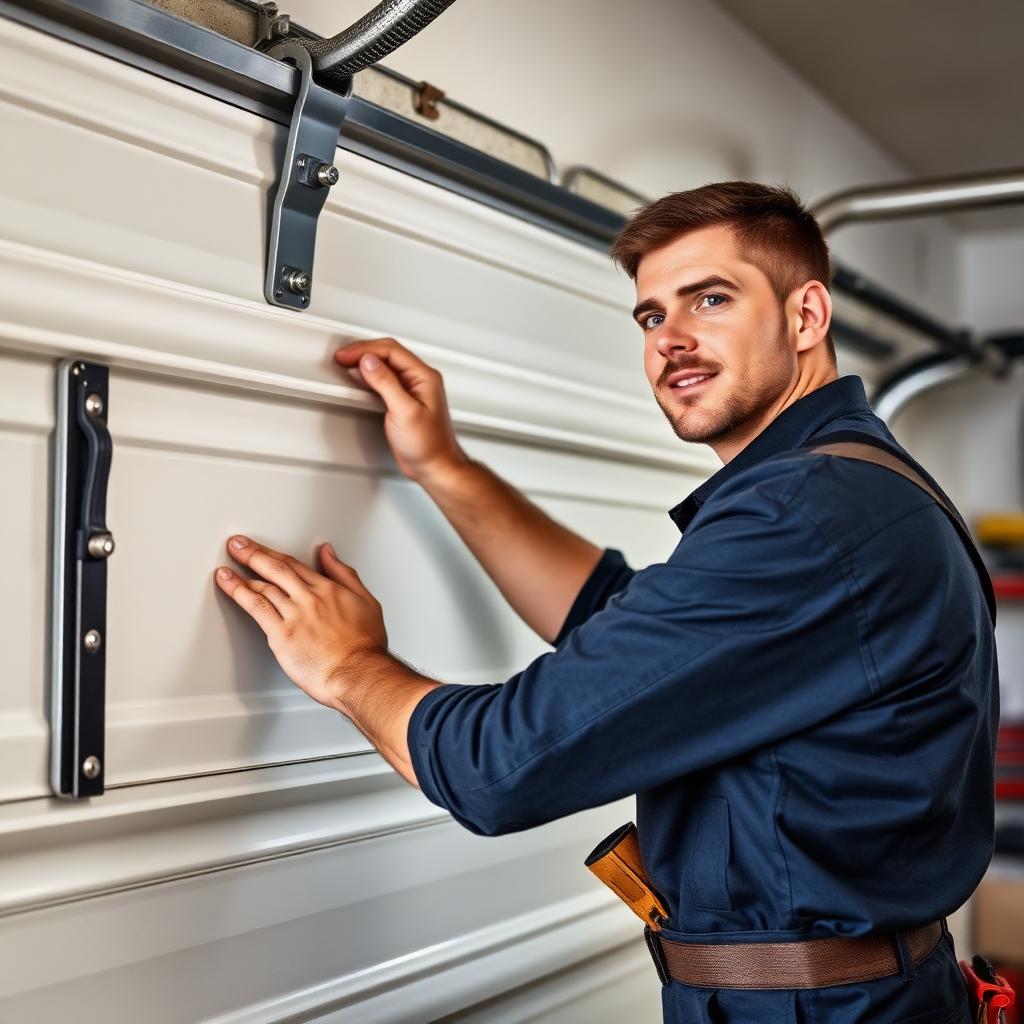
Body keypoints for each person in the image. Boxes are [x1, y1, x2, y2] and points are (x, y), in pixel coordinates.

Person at [213, 182, 997, 1023]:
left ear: (806, 316)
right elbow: (626, 631)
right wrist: (444, 467)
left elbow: (499, 768)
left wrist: (349, 665)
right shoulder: (857, 488)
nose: (674, 340)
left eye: (711, 299)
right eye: (652, 317)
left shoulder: (807, 511)